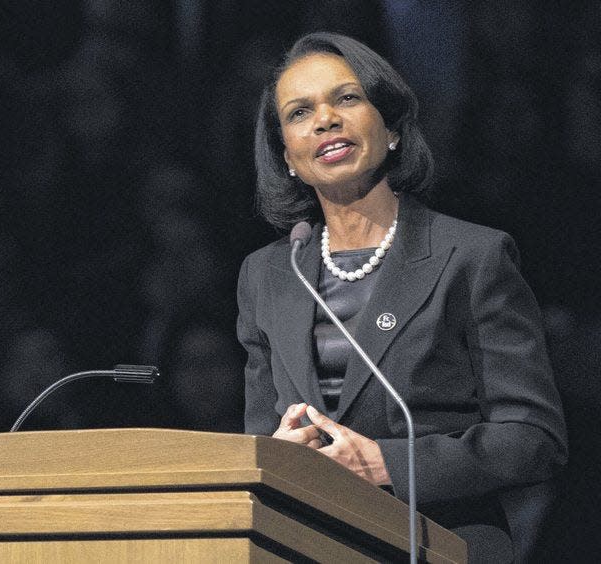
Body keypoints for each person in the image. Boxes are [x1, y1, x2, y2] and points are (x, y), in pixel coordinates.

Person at [236, 32, 567, 563]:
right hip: (310, 545)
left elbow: (533, 440)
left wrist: (388, 463)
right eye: (300, 112)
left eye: (346, 98)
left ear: (390, 127)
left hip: (441, 542)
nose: (325, 119)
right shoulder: (269, 274)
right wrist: (278, 455)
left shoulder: (471, 256)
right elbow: (261, 441)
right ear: (288, 157)